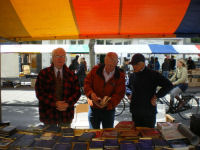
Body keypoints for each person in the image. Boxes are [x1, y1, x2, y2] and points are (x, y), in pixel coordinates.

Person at [35, 48, 81, 127]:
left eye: (62, 56)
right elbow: (40, 93)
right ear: (52, 58)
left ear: (65, 58)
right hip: (48, 114)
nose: (60, 58)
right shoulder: (44, 73)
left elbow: (77, 92)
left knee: (65, 138)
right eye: (57, 56)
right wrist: (55, 103)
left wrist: (67, 103)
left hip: (66, 115)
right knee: (49, 138)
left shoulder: (71, 74)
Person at [128, 53, 173, 128]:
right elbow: (128, 87)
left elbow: (168, 85)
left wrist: (156, 96)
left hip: (148, 112)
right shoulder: (132, 75)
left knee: (149, 136)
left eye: (134, 65)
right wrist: (129, 93)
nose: (133, 67)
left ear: (141, 64)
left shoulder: (153, 74)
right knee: (136, 135)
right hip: (135, 111)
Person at [84, 52, 125, 129]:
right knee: (93, 134)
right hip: (94, 108)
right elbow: (87, 84)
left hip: (108, 110)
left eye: (112, 66)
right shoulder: (95, 70)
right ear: (105, 61)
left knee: (108, 134)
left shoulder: (120, 76)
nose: (110, 68)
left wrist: (108, 103)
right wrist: (91, 94)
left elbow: (119, 94)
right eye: (108, 65)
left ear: (117, 63)